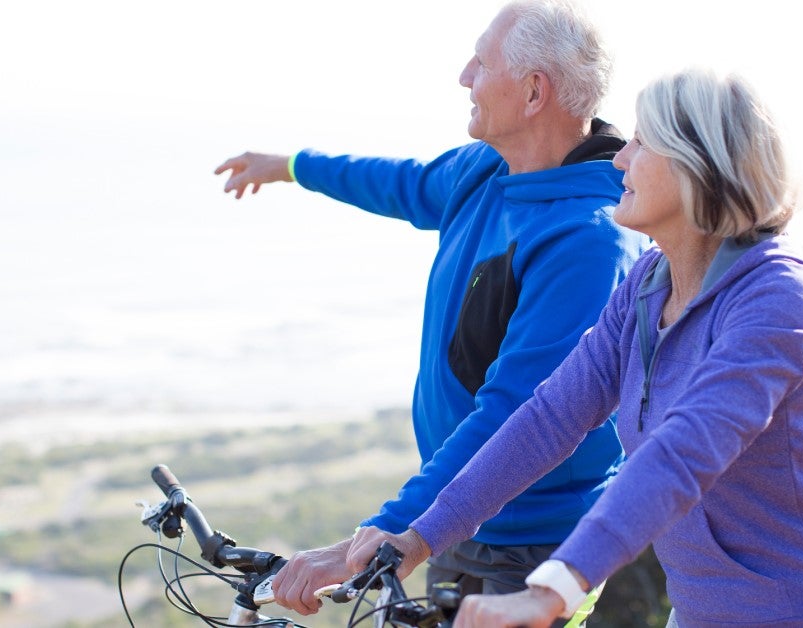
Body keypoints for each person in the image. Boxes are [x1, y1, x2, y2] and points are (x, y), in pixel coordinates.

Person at [350, 67, 803, 626]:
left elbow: (685, 450)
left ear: (698, 164)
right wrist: (422, 535)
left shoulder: (779, 296)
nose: (620, 159)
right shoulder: (650, 283)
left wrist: (554, 588)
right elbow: (550, 419)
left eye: (642, 143)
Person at [214, 0, 649, 619]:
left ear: (533, 91)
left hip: (529, 547)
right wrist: (291, 167)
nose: (464, 76)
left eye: (482, 61)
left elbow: (518, 415)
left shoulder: (588, 243)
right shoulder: (487, 170)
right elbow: (403, 183)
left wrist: (390, 530)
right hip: (454, 520)